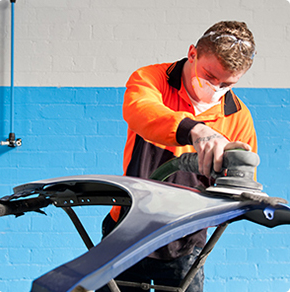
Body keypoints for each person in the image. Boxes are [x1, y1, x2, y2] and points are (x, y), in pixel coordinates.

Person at [98, 20, 257, 292]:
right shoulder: (152, 80)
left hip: (184, 243)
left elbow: (242, 182)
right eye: (209, 76)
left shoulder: (237, 117)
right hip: (127, 230)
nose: (215, 88)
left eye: (226, 84)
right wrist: (194, 130)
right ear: (192, 53)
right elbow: (140, 111)